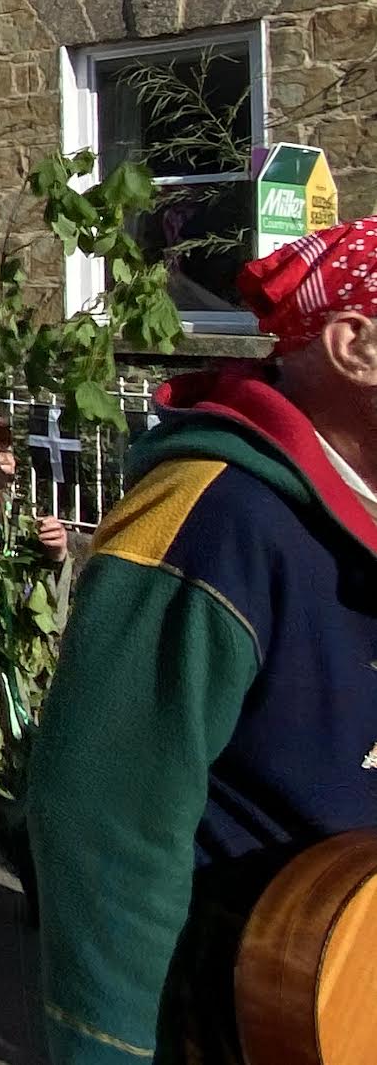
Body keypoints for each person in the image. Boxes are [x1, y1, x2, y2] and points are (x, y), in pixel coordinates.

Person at [28, 216, 377, 1065]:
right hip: (256, 1011)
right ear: (354, 347)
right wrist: (106, 1050)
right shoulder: (209, 517)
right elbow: (106, 824)